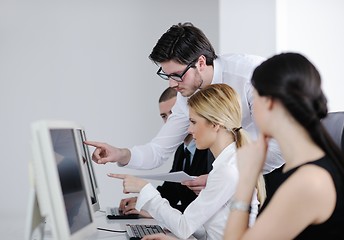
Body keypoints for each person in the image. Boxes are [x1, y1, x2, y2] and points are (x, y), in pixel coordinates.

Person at [85, 22, 284, 194]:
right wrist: (120, 153)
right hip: (235, 176)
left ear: (201, 62)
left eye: (177, 75)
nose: (172, 85)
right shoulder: (186, 94)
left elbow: (281, 147)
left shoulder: (251, 75)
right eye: (167, 75)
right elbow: (158, 150)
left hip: (279, 172)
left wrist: (222, 177)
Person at [221, 52, 344, 239]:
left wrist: (246, 179)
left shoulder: (309, 181)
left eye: (254, 96)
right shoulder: (305, 168)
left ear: (269, 103)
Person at [108, 84, 265, 240]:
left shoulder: (227, 170)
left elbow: (184, 227)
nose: (189, 130)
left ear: (215, 124)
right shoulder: (229, 164)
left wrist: (145, 189)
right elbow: (211, 231)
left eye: (193, 122)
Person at [120, 87, 214, 217]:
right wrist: (143, 202)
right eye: (165, 116)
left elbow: (201, 212)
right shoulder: (182, 150)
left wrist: (154, 210)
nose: (171, 121)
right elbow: (170, 192)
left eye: (174, 114)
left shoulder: (211, 152)